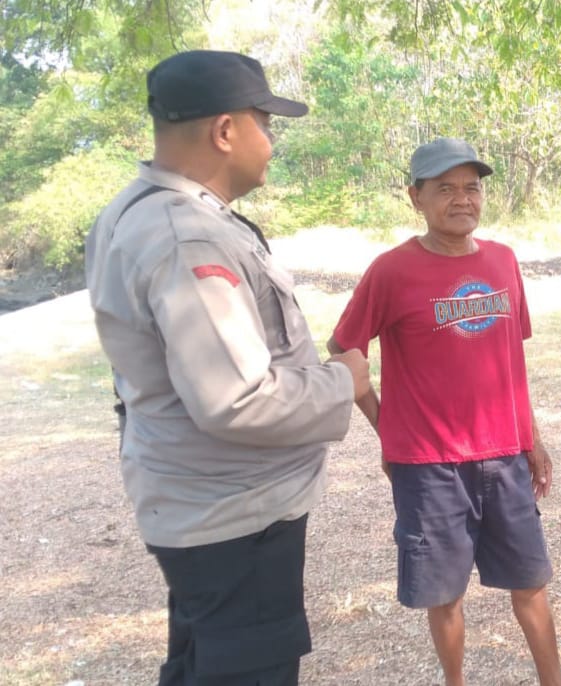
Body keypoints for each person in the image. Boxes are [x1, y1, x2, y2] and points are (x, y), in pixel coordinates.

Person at [85, 50, 371, 686]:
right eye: (264, 123)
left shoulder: (137, 210)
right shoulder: (188, 236)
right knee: (248, 669)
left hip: (202, 503)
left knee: (203, 660)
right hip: (234, 516)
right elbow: (236, 400)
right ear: (224, 131)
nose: (270, 141)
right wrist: (342, 382)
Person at [327, 137, 561, 686]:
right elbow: (344, 351)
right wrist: (388, 428)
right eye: (445, 189)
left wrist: (531, 437)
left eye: (471, 188)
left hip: (505, 457)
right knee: (446, 593)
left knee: (531, 582)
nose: (462, 200)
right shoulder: (391, 271)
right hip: (429, 466)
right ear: (416, 197)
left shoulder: (503, 261)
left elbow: (511, 361)